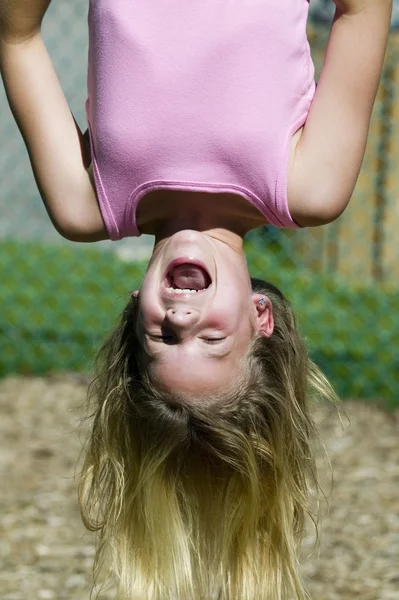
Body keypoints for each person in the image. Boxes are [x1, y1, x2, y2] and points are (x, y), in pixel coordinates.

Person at [0, 0, 392, 598]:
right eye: (210, 339)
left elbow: (19, 37)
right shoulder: (310, 184)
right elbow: (361, 13)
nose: (184, 316)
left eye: (163, 336)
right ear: (261, 318)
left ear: (136, 310)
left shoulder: (84, 201)